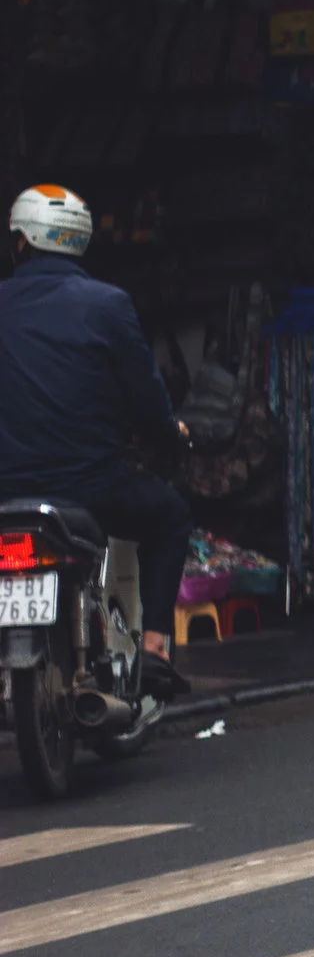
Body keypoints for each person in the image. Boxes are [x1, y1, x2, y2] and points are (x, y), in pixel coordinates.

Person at [0, 185, 190, 697]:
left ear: (19, 243)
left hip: (6, 493)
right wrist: (169, 434)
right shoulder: (107, 305)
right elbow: (148, 401)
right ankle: (153, 651)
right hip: (88, 490)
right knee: (169, 515)